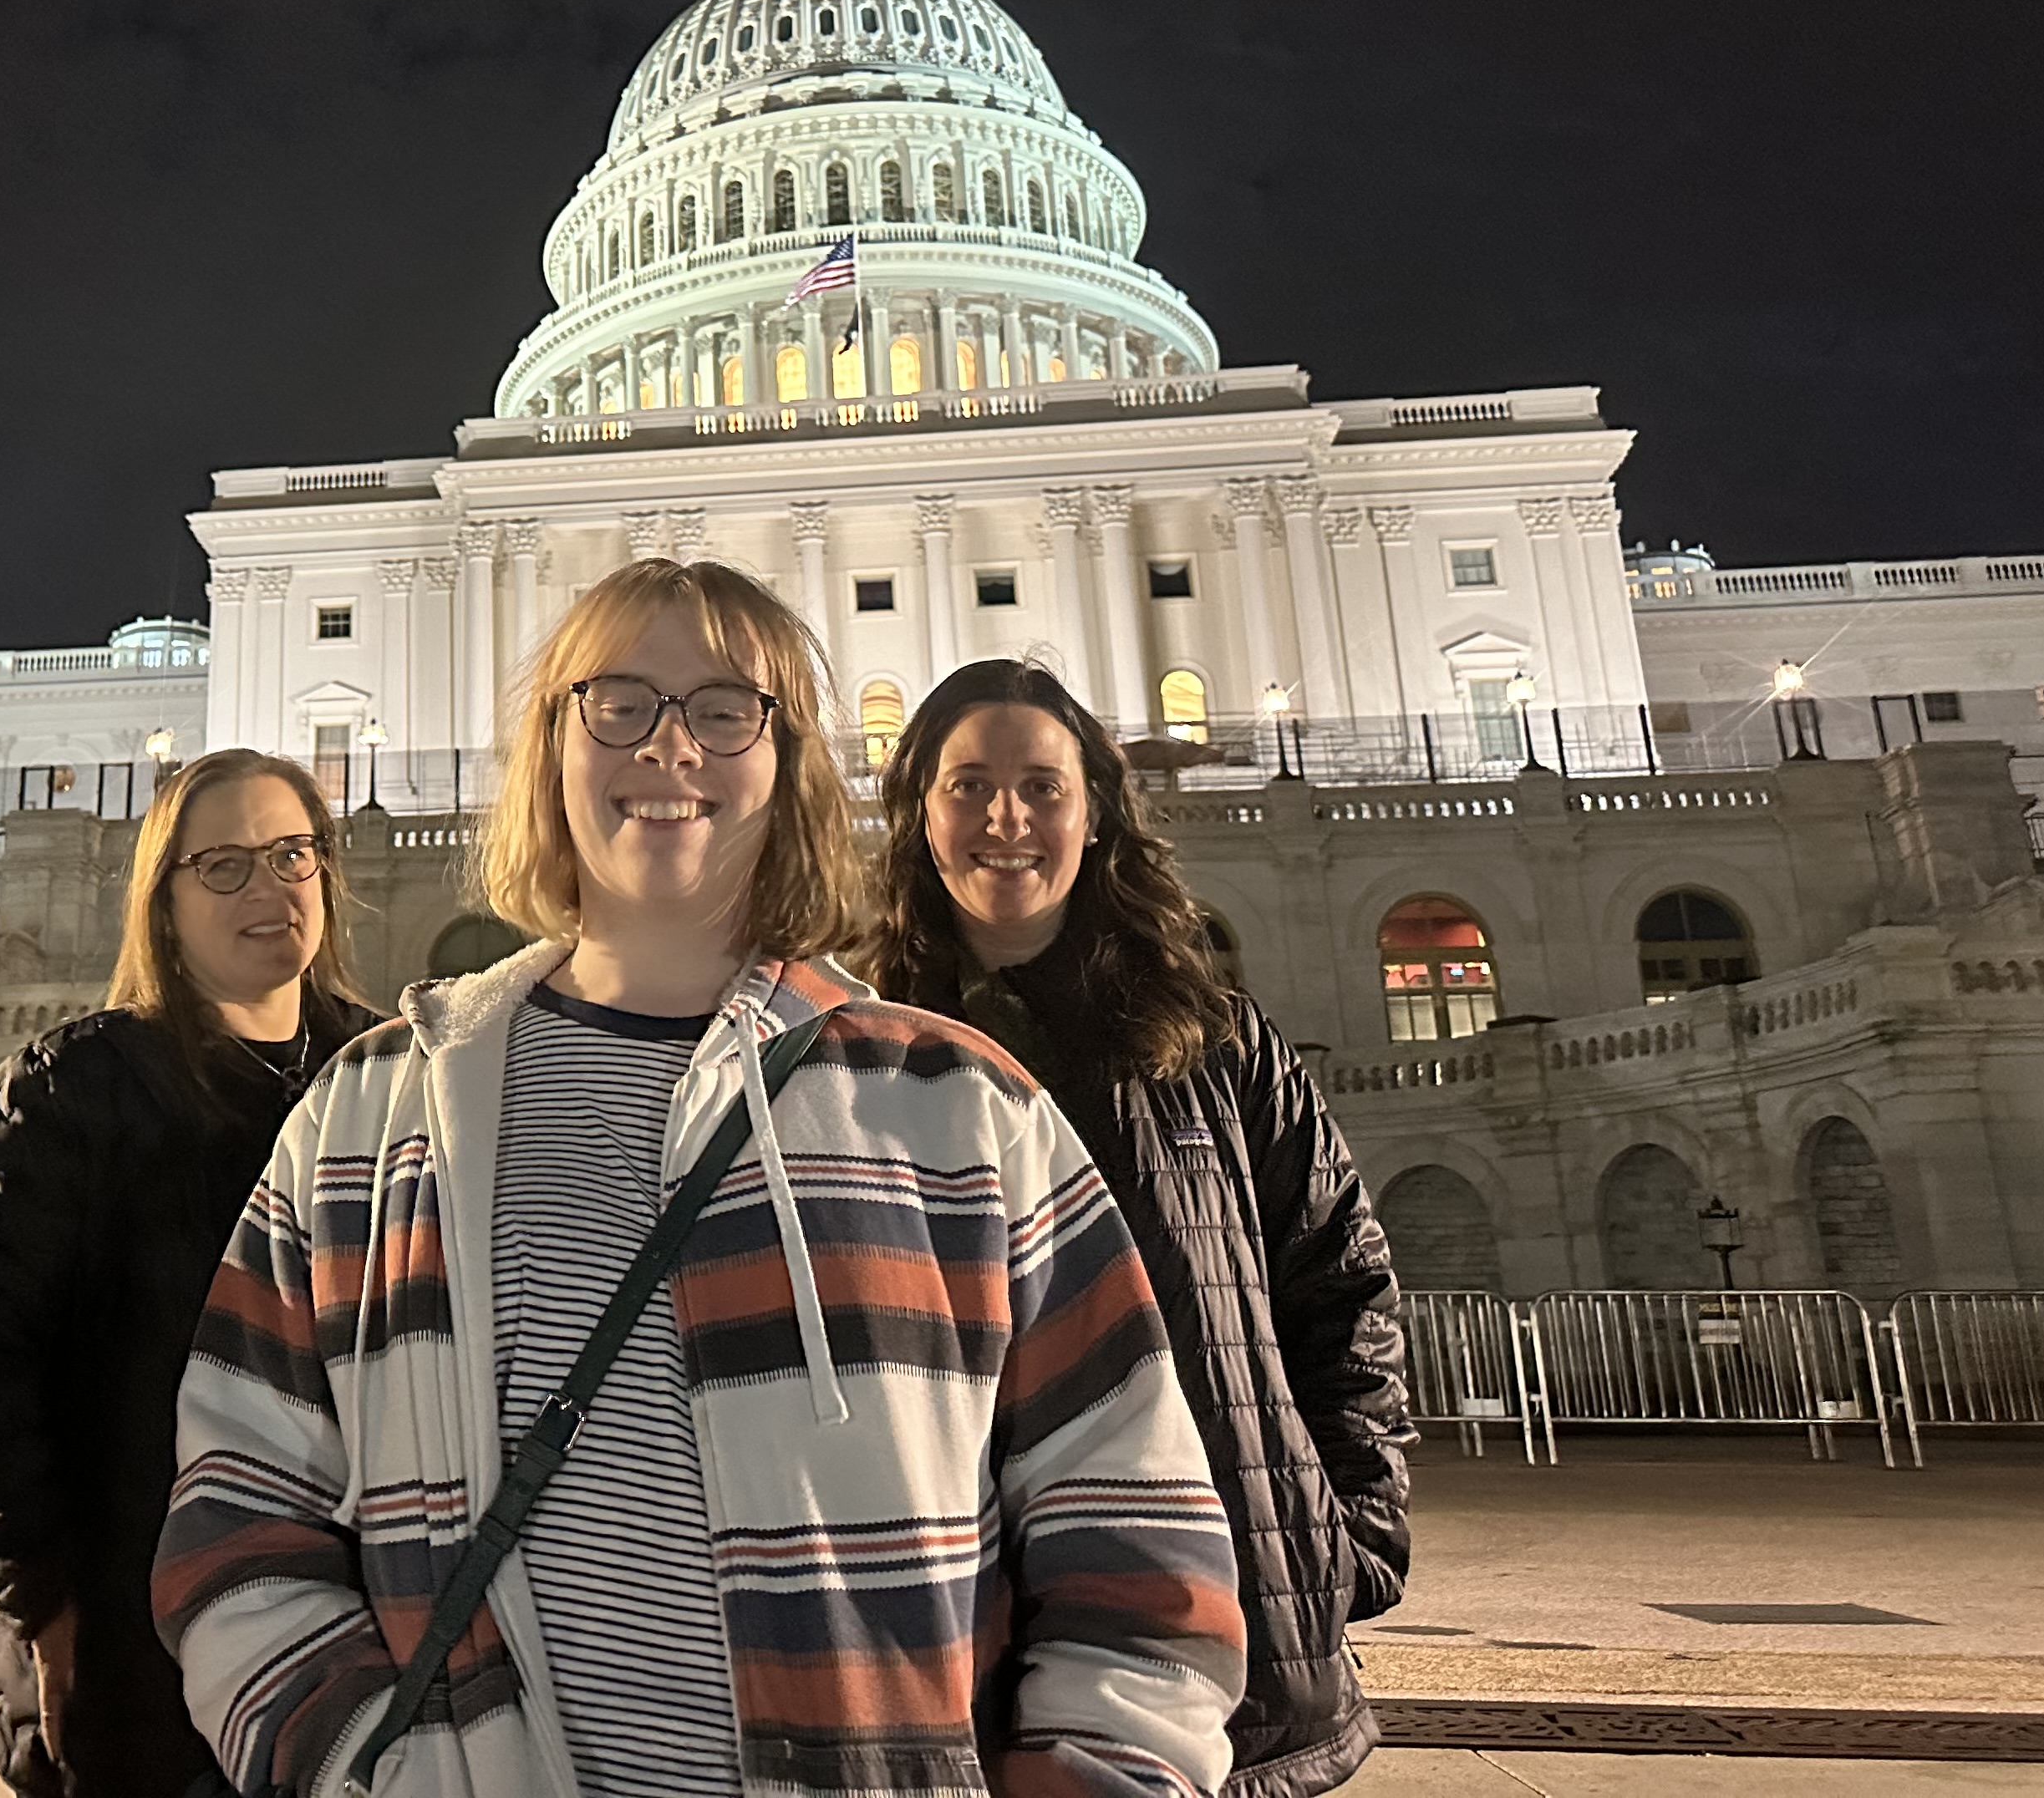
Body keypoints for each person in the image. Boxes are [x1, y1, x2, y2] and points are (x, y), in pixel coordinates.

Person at [159, 558, 1247, 1798]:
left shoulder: (961, 1107)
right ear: (550, 748)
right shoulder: (370, 1113)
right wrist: (364, 1772)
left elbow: (1137, 1526)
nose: (669, 744)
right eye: (617, 702)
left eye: (725, 708)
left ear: (789, 765)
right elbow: (236, 1512)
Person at [864, 658, 1414, 1798]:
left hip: (1228, 1599)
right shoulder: (856, 1049)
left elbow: (1341, 1280)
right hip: (956, 1603)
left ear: (1096, 813)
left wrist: (1344, 1527)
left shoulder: (1214, 1037)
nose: (1006, 819)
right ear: (918, 812)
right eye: (969, 786)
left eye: (1041, 786)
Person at [0, 749, 384, 1798]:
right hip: (133, 1636)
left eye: (291, 853)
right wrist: (41, 1597)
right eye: (224, 865)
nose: (268, 887)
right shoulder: (69, 1089)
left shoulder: (389, 1080)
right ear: (163, 901)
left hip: (350, 1630)